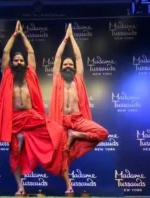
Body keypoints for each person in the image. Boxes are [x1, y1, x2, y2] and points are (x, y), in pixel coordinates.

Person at [0, 21, 67, 196]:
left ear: (25, 63)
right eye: (16, 60)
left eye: (21, 60)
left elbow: (31, 52)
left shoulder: (30, 74)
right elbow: (5, 52)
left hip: (32, 117)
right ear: (12, 63)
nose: (18, 62)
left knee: (57, 131)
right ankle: (20, 188)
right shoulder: (7, 74)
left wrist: (22, 34)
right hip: (14, 119)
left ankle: (51, 161)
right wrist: (13, 35)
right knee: (15, 153)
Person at [49, 23, 109, 194]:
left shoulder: (78, 79)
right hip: (62, 123)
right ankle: (69, 186)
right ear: (61, 68)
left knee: (103, 133)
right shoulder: (57, 78)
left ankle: (76, 136)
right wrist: (65, 39)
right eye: (65, 65)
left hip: (78, 121)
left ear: (74, 67)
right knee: (62, 156)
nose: (67, 66)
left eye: (70, 64)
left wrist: (72, 38)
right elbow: (57, 58)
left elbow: (79, 57)